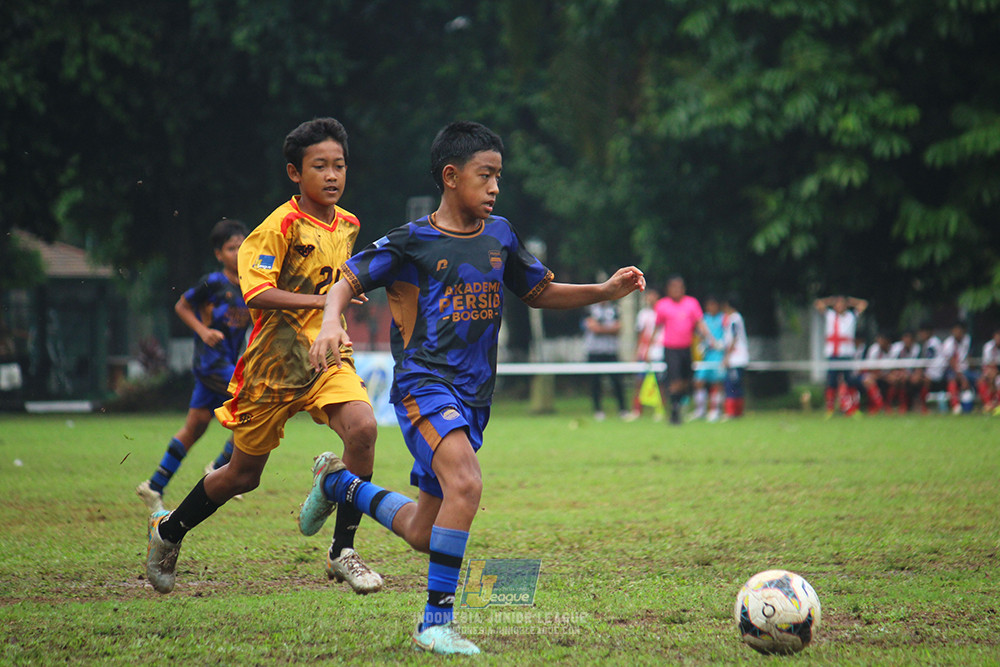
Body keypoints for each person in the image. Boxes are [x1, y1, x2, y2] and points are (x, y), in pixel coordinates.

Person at [301, 121, 646, 655]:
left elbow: (538, 292)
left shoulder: (500, 235)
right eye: (485, 175)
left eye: (498, 176)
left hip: (474, 397)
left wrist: (604, 291)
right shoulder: (412, 240)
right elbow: (346, 280)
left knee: (422, 531)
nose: (495, 187)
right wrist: (329, 323)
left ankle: (337, 484)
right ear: (450, 176)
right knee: (466, 484)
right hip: (424, 384)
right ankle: (434, 623)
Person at [145, 117, 383, 597]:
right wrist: (324, 300)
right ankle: (168, 531)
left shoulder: (349, 224)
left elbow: (338, 283)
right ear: (295, 173)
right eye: (320, 166)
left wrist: (335, 307)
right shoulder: (277, 227)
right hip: (272, 368)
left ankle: (342, 551)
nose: (332, 175)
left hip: (325, 353)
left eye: (339, 165)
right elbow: (257, 293)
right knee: (242, 476)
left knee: (363, 430)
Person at [135, 219, 250, 513]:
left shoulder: (251, 285)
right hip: (212, 363)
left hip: (227, 365)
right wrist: (203, 331)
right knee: (255, 403)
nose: (238, 253)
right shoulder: (213, 282)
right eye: (231, 248)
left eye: (242, 246)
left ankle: (154, 485)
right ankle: (220, 466)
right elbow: (182, 306)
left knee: (194, 427)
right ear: (218, 254)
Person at [654, 275, 716, 425]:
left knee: (685, 381)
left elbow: (699, 323)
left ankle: (678, 404)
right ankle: (675, 410)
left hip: (686, 348)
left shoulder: (691, 303)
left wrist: (710, 339)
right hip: (671, 348)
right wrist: (647, 347)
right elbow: (657, 327)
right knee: (674, 379)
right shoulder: (663, 305)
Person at [814, 295, 868, 417]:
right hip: (833, 354)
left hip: (847, 354)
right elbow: (818, 304)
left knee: (850, 381)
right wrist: (831, 300)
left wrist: (850, 302)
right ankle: (830, 409)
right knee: (832, 382)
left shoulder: (851, 316)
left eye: (842, 304)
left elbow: (863, 304)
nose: (840, 306)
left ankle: (853, 408)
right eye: (838, 304)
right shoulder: (830, 315)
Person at [583, 299, 629, 420]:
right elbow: (593, 328)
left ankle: (623, 409)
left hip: (611, 351)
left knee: (617, 381)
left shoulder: (614, 309)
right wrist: (609, 329)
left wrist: (601, 328)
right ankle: (598, 410)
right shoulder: (590, 309)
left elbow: (618, 328)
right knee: (595, 382)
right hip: (594, 351)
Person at [629, 288, 664, 420]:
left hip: (659, 351)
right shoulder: (643, 314)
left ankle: (660, 409)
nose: (650, 298)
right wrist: (638, 352)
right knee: (639, 381)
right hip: (645, 352)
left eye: (652, 295)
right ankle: (637, 410)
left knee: (660, 382)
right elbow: (641, 334)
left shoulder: (663, 312)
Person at [691, 295, 725, 422]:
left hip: (718, 354)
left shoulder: (723, 318)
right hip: (706, 355)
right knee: (698, 381)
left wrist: (722, 344)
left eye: (713, 305)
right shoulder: (704, 319)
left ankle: (715, 410)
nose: (711, 308)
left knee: (717, 383)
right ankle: (700, 410)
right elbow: (698, 333)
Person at [721, 293, 749, 419]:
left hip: (736, 358)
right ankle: (736, 411)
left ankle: (732, 411)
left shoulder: (734, 319)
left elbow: (734, 338)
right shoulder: (737, 318)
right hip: (737, 358)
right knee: (735, 385)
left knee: (731, 385)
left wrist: (727, 357)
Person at [941, 321, 974, 414]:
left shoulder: (968, 340)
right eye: (955, 330)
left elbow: (970, 358)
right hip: (952, 370)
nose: (957, 333)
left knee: (980, 379)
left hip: (966, 370)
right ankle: (955, 405)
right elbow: (952, 363)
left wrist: (966, 374)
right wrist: (962, 377)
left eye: (959, 331)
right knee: (952, 380)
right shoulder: (948, 343)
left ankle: (988, 404)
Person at [915, 322, 947, 413]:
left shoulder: (933, 343)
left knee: (921, 380)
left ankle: (923, 405)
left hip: (938, 371)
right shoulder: (928, 343)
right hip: (933, 370)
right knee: (915, 379)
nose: (921, 335)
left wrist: (920, 373)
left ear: (928, 332)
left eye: (923, 332)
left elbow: (928, 361)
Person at [887, 330, 921, 413]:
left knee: (917, 380)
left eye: (909, 338)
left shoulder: (917, 349)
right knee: (896, 379)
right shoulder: (897, 348)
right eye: (905, 338)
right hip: (898, 373)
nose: (907, 340)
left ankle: (917, 404)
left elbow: (919, 366)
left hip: (911, 373)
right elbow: (892, 366)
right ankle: (890, 405)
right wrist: (898, 373)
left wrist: (912, 374)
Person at [860, 332, 891, 414]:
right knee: (868, 380)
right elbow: (871, 369)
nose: (881, 342)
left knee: (895, 379)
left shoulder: (892, 350)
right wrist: (883, 376)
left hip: (887, 374)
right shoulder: (874, 349)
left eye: (883, 340)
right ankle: (879, 406)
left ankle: (892, 405)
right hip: (875, 375)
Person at [977, 328, 1000, 413]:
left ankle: (997, 404)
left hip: (997, 372)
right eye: (997, 337)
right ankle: (988, 404)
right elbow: (988, 364)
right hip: (990, 370)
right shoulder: (988, 346)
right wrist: (992, 374)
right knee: (982, 381)